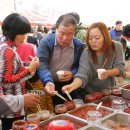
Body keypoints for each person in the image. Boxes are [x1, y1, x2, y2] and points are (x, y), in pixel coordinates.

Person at [62, 22, 125, 96]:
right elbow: (82, 73)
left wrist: (107, 73)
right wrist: (72, 86)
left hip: (108, 92)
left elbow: (120, 68)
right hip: (89, 94)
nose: (93, 41)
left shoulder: (116, 46)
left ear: (105, 36)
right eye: (90, 38)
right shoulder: (86, 52)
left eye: (97, 38)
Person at [0, 13, 39, 130]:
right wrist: (30, 69)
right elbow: (6, 81)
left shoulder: (5, 46)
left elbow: (11, 70)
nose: (25, 37)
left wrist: (27, 66)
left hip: (10, 106)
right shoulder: (8, 51)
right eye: (23, 33)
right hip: (11, 110)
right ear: (13, 32)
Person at [37, 14, 84, 106]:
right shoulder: (46, 42)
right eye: (62, 33)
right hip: (50, 84)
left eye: (69, 34)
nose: (65, 38)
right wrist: (47, 80)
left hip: (70, 85)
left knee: (70, 109)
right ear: (56, 29)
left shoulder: (78, 45)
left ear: (75, 33)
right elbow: (42, 63)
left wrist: (72, 73)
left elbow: (80, 65)